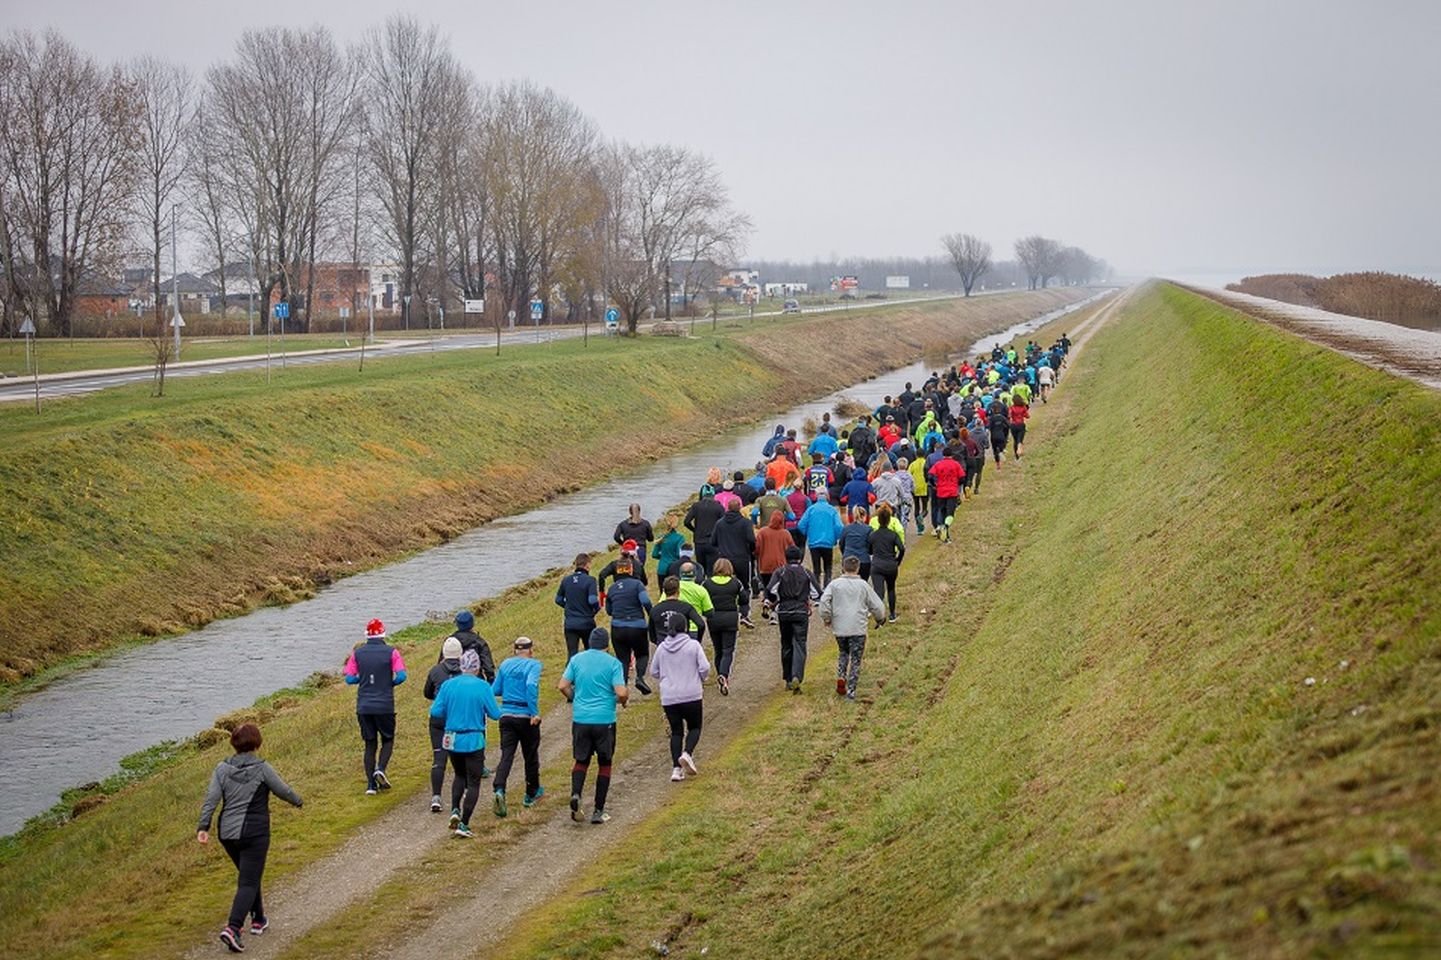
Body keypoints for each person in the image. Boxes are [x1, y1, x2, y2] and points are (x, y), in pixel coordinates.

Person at [198, 723, 302, 954]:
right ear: (257, 742)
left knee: (249, 876)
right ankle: (233, 928)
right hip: (254, 833)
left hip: (227, 834)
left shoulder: (221, 769)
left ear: (234, 744)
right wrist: (298, 801)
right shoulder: (262, 767)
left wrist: (203, 827)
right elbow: (282, 790)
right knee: (248, 881)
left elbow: (211, 800)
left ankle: (259, 919)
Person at [429, 649, 502, 838]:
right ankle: (465, 823)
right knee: (474, 782)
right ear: (477, 668)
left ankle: (455, 809)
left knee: (459, 775)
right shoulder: (483, 686)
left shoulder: (448, 685)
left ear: (461, 666)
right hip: (473, 739)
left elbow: (436, 711)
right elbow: (495, 714)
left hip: (452, 738)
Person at [559, 627, 629, 824]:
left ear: (589, 642)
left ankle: (576, 794)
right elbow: (622, 692)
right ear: (607, 645)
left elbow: (562, 685)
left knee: (581, 761)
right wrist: (623, 701)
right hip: (604, 720)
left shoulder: (577, 660)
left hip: (581, 719)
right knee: (605, 764)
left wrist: (574, 698)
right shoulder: (613, 663)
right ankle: (598, 810)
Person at [344, 619, 407, 795]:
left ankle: (371, 785)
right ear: (383, 634)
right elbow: (402, 676)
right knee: (387, 739)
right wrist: (390, 683)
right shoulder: (392, 652)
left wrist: (362, 679)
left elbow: (349, 678)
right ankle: (381, 768)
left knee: (370, 745)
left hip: (364, 706)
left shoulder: (357, 653)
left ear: (367, 635)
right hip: (385, 704)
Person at [648, 612, 711, 782]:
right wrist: (701, 677)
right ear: (685, 627)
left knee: (676, 732)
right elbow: (705, 667)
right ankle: (687, 753)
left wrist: (666, 678)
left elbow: (653, 671)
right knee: (695, 727)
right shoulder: (693, 645)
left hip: (669, 697)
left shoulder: (661, 648)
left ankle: (676, 769)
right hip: (691, 694)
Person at [818, 556, 887, 700]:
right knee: (856, 658)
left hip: (840, 628)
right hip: (857, 628)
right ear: (858, 568)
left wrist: (827, 617)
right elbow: (877, 605)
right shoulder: (863, 585)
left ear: (843, 567)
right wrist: (880, 618)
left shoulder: (834, 584)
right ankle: (851, 691)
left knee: (843, 653)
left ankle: (841, 676)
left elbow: (824, 601)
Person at [491, 636, 543, 818]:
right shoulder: (534, 665)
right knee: (530, 754)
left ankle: (499, 788)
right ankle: (531, 793)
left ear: (514, 650)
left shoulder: (505, 664)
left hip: (506, 715)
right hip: (525, 716)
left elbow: (495, 690)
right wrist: (534, 712)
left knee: (507, 754)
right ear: (530, 650)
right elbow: (530, 685)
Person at [766, 545, 822, 693]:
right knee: (800, 644)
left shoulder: (780, 572)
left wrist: (774, 600)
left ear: (786, 557)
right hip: (801, 611)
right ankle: (797, 675)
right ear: (800, 558)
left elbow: (770, 590)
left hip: (784, 611)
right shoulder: (806, 572)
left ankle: (788, 678)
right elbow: (817, 593)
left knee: (786, 644)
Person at [424, 637, 464, 813]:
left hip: (438, 719)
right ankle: (462, 793)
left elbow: (427, 693)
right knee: (460, 759)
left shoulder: (435, 670)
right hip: (457, 719)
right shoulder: (466, 671)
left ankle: (436, 796)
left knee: (439, 758)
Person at [605, 558, 654, 694]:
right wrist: (651, 614)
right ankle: (639, 677)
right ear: (630, 570)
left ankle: (623, 688)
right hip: (637, 626)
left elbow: (609, 611)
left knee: (622, 658)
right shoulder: (637, 584)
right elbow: (645, 600)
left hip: (618, 627)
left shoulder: (612, 588)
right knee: (642, 654)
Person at [702, 558, 748, 695]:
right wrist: (743, 613)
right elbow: (744, 599)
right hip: (730, 619)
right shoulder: (735, 583)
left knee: (718, 650)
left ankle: (720, 676)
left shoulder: (707, 583)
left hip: (713, 619)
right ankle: (724, 675)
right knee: (728, 650)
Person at [710, 500, 757, 615]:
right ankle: (745, 612)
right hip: (742, 558)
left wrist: (722, 547)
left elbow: (713, 541)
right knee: (745, 585)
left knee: (724, 585)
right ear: (739, 508)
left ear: (727, 509)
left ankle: (725, 609)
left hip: (725, 560)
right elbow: (751, 540)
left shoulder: (720, 523)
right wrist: (750, 550)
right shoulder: (746, 523)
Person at [555, 554, 601, 662]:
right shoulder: (590, 580)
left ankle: (570, 677)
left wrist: (567, 606)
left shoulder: (566, 580)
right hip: (586, 622)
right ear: (587, 565)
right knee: (590, 652)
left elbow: (558, 599)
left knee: (572, 654)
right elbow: (592, 600)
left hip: (570, 623)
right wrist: (596, 609)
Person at [868, 503, 907, 622]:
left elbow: (869, 549)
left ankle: (880, 616)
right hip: (891, 564)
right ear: (890, 519)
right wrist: (898, 561)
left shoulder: (873, 535)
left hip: (877, 565)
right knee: (891, 589)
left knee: (878, 591)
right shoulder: (893, 535)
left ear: (878, 520)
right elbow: (902, 548)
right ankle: (893, 614)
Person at [797, 489, 844, 586]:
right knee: (828, 568)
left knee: (816, 569)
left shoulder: (811, 509)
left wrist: (808, 533)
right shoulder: (832, 510)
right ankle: (827, 588)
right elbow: (839, 527)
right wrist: (835, 538)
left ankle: (816, 589)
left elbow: (801, 525)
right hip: (828, 542)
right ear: (827, 497)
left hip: (814, 542)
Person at [755, 510, 792, 618]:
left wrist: (757, 555)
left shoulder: (762, 532)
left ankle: (766, 600)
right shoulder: (785, 533)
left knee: (768, 587)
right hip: (780, 566)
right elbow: (791, 549)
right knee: (779, 590)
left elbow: (756, 549)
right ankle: (774, 613)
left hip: (765, 566)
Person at [927, 446, 966, 543]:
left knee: (942, 510)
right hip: (952, 491)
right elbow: (962, 478)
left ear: (943, 455)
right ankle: (945, 528)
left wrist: (934, 484)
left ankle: (941, 527)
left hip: (941, 491)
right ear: (951, 455)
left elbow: (930, 475)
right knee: (950, 514)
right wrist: (957, 484)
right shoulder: (956, 464)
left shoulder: (938, 464)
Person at [684, 485, 725, 574]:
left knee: (701, 569)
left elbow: (686, 522)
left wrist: (694, 530)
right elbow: (724, 523)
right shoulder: (718, 507)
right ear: (713, 494)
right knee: (712, 569)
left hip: (699, 541)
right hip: (713, 542)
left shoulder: (696, 506)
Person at [446, 610, 495, 682]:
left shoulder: (450, 642)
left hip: (454, 680)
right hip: (476, 679)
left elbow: (442, 664)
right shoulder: (479, 642)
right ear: (472, 624)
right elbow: (488, 668)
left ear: (457, 624)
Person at [613, 504, 654, 573]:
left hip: (627, 549)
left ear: (630, 512)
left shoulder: (623, 524)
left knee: (625, 570)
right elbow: (650, 539)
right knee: (639, 570)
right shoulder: (645, 524)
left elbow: (616, 536)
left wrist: (623, 543)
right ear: (639, 511)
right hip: (640, 549)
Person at [839, 506, 874, 582]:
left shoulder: (847, 529)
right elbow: (871, 545)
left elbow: (841, 544)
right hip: (863, 560)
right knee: (863, 584)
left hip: (848, 558)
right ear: (864, 516)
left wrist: (845, 553)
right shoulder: (868, 529)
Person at [651, 514, 685, 580]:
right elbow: (679, 554)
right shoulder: (680, 538)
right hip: (674, 569)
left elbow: (654, 554)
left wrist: (663, 556)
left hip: (662, 569)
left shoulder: (661, 538)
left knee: (662, 590)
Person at [908, 451, 929, 535]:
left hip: (915, 488)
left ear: (916, 455)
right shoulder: (926, 463)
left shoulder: (912, 464)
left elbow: (909, 475)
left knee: (916, 506)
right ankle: (922, 516)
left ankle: (919, 528)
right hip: (925, 487)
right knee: (925, 508)